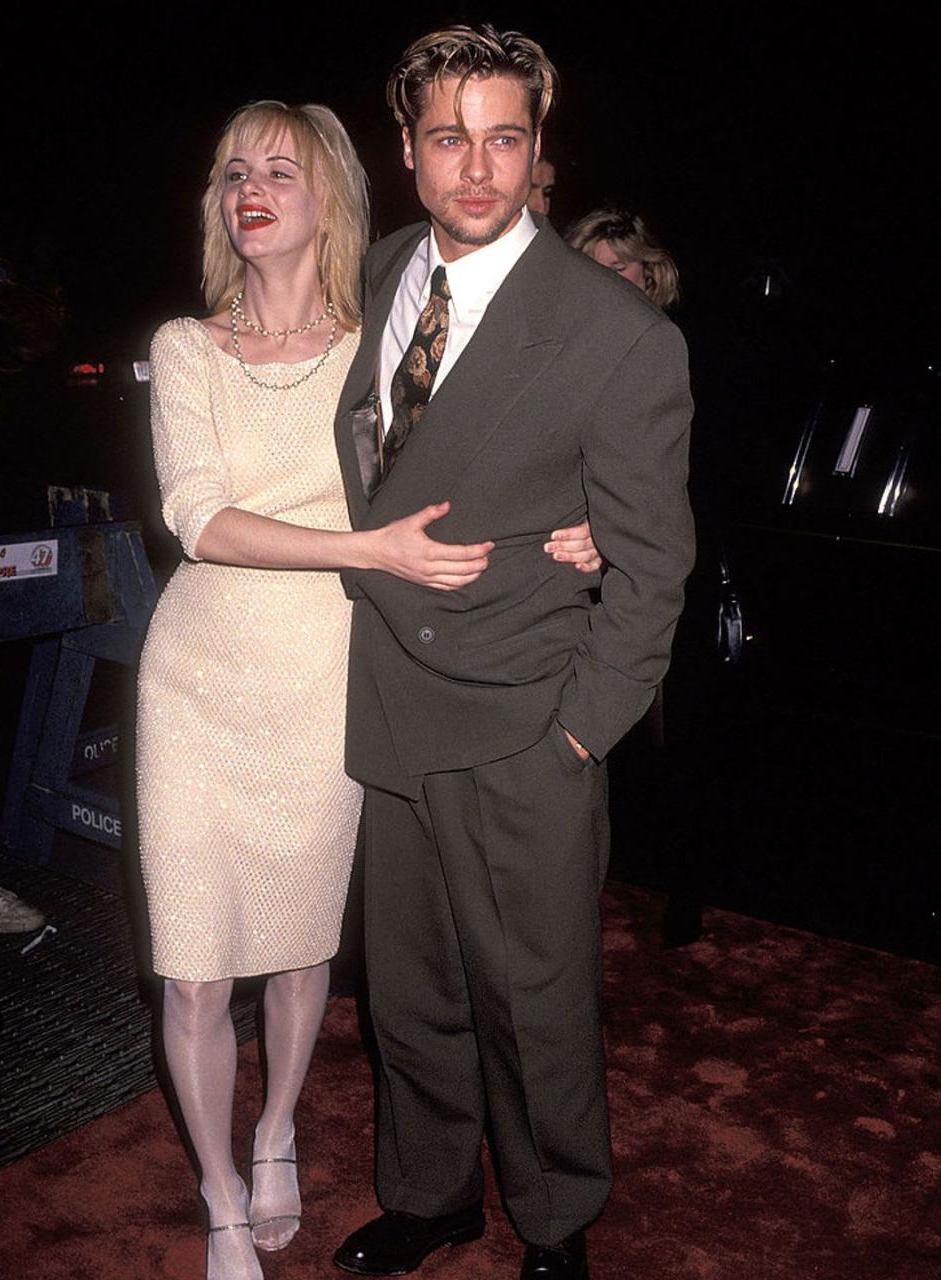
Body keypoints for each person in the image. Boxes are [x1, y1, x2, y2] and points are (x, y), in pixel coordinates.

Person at [136, 99, 595, 1280]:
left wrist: (578, 520)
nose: (253, 187)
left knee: (300, 953)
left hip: (330, 679)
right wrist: (369, 549)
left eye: (282, 170)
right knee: (191, 963)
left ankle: (280, 1126)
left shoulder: (377, 343)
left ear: (331, 196)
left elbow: (487, 459)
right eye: (234, 168)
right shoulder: (187, 347)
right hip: (196, 683)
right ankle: (222, 1195)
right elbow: (196, 517)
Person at [332, 25, 694, 1280]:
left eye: (504, 137)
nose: (476, 168)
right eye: (448, 137)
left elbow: (655, 567)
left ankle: (553, 1220)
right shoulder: (380, 272)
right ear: (408, 151)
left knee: (534, 1007)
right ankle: (430, 1195)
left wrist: (580, 731)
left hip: (523, 720)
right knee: (412, 997)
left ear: (539, 150)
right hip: (390, 703)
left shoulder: (618, 335)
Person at [566, 207, 681, 311]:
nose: (605, 279)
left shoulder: (658, 330)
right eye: (594, 270)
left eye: (617, 269)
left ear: (648, 270)